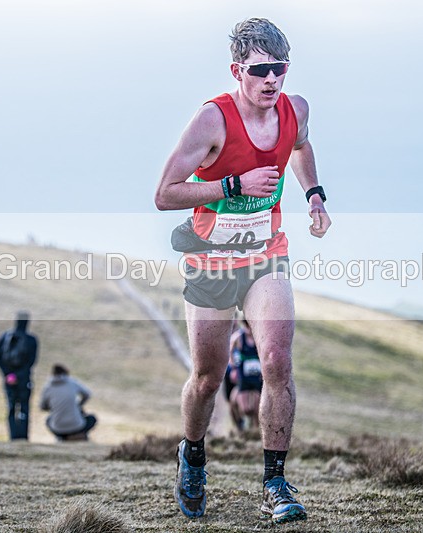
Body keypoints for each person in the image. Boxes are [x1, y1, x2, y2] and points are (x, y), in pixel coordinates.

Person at [154, 17, 331, 524]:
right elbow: (165, 194)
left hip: (266, 254)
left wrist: (315, 195)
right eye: (260, 70)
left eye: (280, 68)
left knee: (276, 358)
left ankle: (275, 482)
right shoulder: (212, 121)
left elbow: (300, 147)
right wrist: (232, 186)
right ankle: (192, 456)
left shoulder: (295, 111)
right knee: (208, 378)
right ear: (238, 70)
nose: (272, 79)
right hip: (211, 260)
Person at [0, 310, 38, 441]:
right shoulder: (31, 340)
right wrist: (20, 376)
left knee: (11, 407)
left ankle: (13, 435)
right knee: (24, 407)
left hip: (9, 379)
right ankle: (23, 436)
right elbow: (32, 361)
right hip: (24, 379)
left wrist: (9, 375)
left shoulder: (4, 338)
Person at [39, 364, 97, 441]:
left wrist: (53, 408)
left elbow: (42, 407)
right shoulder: (72, 382)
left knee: (48, 420)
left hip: (58, 428)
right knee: (92, 418)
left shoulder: (48, 387)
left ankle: (63, 437)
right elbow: (87, 394)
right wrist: (79, 405)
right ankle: (78, 435)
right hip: (78, 426)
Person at [228, 318, 262, 432]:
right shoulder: (238, 338)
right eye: (246, 324)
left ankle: (255, 433)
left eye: (250, 325)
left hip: (257, 378)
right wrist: (233, 369)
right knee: (246, 409)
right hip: (243, 378)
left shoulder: (261, 338)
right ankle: (241, 425)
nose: (248, 328)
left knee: (257, 409)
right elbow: (230, 353)